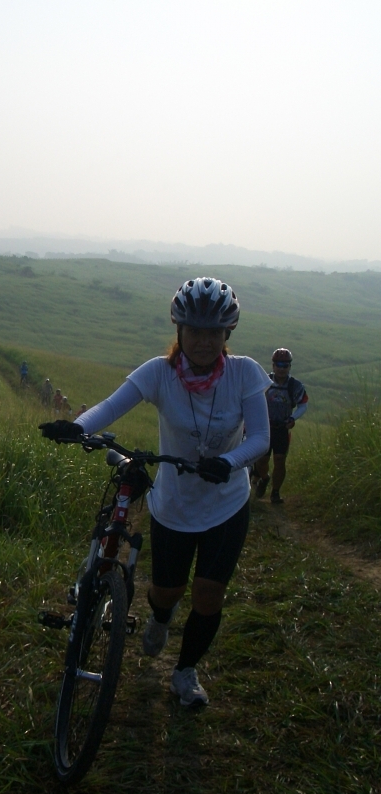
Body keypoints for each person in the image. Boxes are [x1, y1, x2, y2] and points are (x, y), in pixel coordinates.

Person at [39, 278, 270, 708]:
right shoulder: (159, 373)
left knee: (208, 594)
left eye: (214, 332)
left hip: (227, 506)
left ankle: (185, 673)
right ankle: (161, 619)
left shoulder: (245, 373)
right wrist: (77, 427)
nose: (204, 341)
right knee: (167, 593)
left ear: (228, 334)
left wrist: (229, 461)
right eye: (195, 331)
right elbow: (112, 405)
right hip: (174, 506)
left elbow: (260, 437)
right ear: (179, 330)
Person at [252, 348, 308, 505]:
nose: (281, 369)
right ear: (273, 365)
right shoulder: (264, 381)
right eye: (278, 365)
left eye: (285, 365)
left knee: (279, 460)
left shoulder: (295, 385)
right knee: (261, 460)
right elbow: (252, 400)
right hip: (265, 427)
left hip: (282, 428)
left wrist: (293, 418)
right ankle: (264, 478)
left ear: (289, 366)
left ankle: (275, 493)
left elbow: (303, 404)